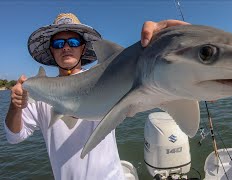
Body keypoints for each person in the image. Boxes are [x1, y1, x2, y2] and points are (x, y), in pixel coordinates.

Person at [4, 13, 189, 180]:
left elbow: (142, 74)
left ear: (83, 48)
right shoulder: (41, 94)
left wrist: (158, 46)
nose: (66, 48)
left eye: (74, 43)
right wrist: (15, 106)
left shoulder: (107, 76)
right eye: (59, 44)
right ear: (52, 50)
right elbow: (14, 137)